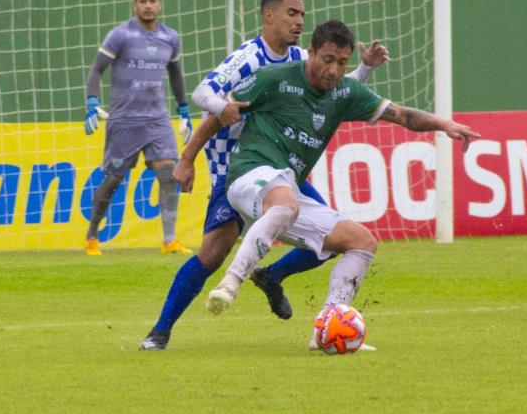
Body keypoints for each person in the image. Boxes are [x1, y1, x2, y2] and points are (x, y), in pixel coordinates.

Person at [194, 20, 480, 348]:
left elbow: (402, 115)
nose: (334, 70)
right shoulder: (274, 78)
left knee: (361, 242)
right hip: (248, 175)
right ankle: (230, 284)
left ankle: (329, 327)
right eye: (327, 59)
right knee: (284, 203)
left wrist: (443, 123)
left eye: (342, 63)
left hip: (287, 190)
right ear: (311, 52)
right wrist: (188, 158)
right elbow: (218, 114)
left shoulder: (345, 92)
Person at [139, 0, 389, 350]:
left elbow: (339, 94)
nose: (300, 21)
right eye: (292, 13)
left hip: (285, 169)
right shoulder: (248, 59)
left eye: (302, 14)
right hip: (239, 168)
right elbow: (202, 93)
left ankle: (271, 275)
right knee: (213, 252)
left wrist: (365, 68)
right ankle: (159, 332)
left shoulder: (305, 57)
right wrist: (208, 130)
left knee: (337, 236)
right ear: (268, 16)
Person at [83, 0, 193, 257]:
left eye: (152, 1)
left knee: (169, 175)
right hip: (125, 120)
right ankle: (92, 235)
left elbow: (176, 74)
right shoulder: (121, 35)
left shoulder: (170, 37)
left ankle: (169, 240)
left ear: (159, 3)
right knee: (113, 180)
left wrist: (183, 108)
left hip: (157, 120)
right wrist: (92, 102)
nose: (148, 6)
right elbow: (96, 69)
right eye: (142, 1)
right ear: (135, 5)